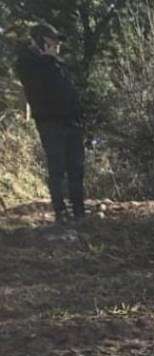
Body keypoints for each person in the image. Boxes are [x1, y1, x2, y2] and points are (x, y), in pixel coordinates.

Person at [14, 22, 86, 224]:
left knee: (76, 168)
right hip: (50, 123)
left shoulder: (57, 63)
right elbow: (36, 88)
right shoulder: (28, 63)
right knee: (57, 169)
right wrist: (47, 60)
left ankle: (79, 212)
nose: (57, 44)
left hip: (71, 122)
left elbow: (69, 91)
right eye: (52, 40)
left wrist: (79, 116)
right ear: (41, 41)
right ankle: (60, 212)